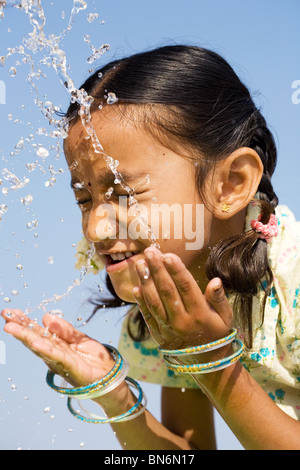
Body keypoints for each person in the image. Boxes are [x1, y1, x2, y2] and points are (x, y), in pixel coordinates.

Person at [2, 45, 300, 450]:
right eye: (84, 200)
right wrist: (114, 396)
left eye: (124, 192)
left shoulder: (292, 280)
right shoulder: (166, 315)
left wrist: (209, 361)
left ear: (231, 183)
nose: (95, 228)